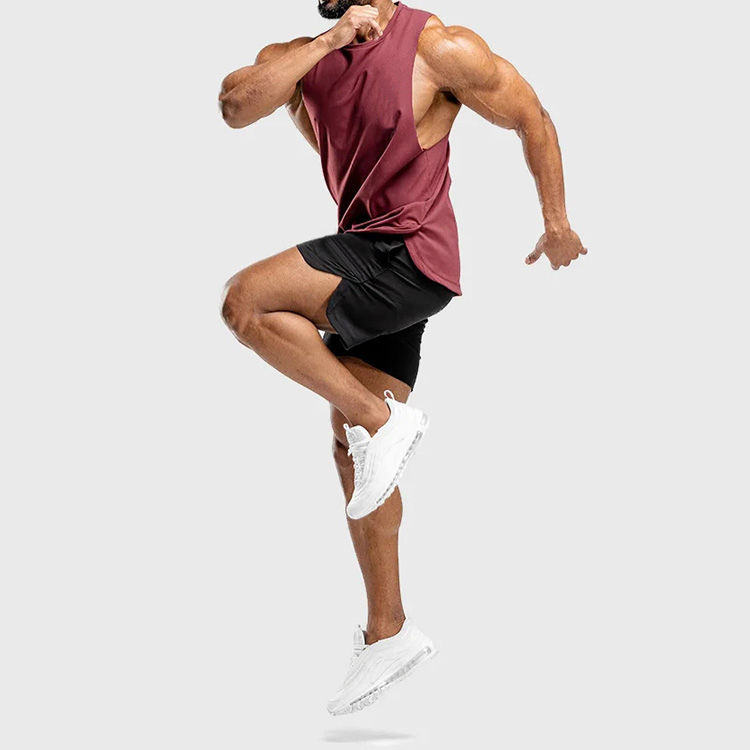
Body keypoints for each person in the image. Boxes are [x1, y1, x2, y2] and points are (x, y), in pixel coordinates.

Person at [218, 0, 587, 715]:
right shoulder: (302, 57)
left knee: (247, 302)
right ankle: (389, 631)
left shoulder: (439, 47)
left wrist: (556, 221)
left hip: (409, 256)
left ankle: (380, 419)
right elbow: (235, 106)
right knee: (352, 451)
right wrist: (329, 41)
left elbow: (532, 116)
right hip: (371, 257)